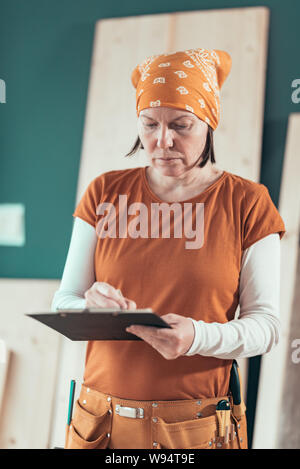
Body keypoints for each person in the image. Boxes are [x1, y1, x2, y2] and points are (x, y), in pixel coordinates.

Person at [51, 48, 286, 450]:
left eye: (181, 124)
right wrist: (91, 307)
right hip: (100, 423)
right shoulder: (104, 192)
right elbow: (65, 301)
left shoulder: (247, 202)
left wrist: (195, 336)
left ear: (209, 122)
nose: (162, 141)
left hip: (195, 429)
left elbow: (266, 328)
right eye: (149, 124)